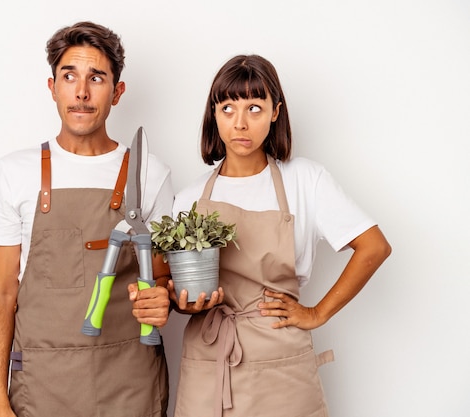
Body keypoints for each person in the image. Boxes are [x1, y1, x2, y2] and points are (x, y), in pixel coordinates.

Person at [168, 54, 392, 417]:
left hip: (281, 364)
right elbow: (178, 289)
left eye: (254, 108)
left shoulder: (304, 180)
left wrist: (317, 313)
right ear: (214, 114)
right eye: (228, 108)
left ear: (275, 112)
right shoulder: (190, 196)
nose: (240, 123)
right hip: (210, 361)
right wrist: (185, 302)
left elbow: (374, 246)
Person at [0, 21, 173, 417]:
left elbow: (159, 278)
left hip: (130, 382)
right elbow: (1, 292)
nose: (82, 92)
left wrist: (163, 300)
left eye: (97, 78)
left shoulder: (149, 174)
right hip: (42, 383)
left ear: (117, 92)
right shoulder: (15, 172)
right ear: (52, 87)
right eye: (69, 76)